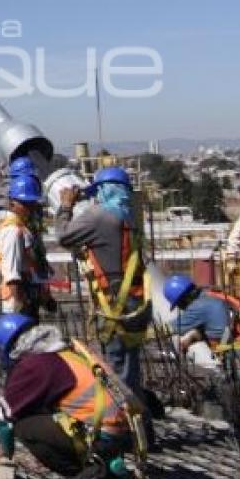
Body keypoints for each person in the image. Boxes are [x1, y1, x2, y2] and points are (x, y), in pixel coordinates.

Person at [0, 312, 146, 479]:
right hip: (128, 432)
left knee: (24, 426)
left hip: (101, 436)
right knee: (54, 414)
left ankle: (88, 474)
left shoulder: (34, 364)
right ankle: (108, 470)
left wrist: (5, 453)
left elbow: (6, 417)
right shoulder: (70, 350)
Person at [54, 166, 151, 399]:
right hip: (136, 302)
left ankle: (122, 421)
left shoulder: (98, 216)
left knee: (115, 367)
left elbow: (63, 236)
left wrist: (66, 206)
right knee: (131, 365)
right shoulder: (130, 215)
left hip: (114, 303)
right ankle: (136, 415)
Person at [163, 273, 240, 416]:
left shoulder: (197, 306)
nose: (182, 308)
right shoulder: (214, 298)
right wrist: (191, 338)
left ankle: (234, 428)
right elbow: (219, 328)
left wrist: (136, 330)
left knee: (214, 396)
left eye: (179, 304)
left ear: (183, 298)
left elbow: (166, 329)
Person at [0, 173, 52, 316]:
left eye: (32, 203)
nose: (30, 207)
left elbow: (31, 267)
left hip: (27, 296)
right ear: (12, 203)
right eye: (25, 203)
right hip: (17, 303)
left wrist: (45, 297)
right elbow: (12, 273)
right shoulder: (12, 231)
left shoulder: (21, 227)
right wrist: (19, 306)